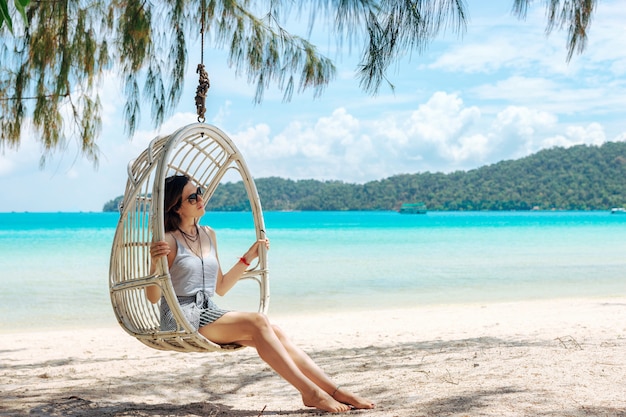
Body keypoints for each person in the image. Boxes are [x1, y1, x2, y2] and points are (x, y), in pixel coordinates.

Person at [147, 175, 375, 413]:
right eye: (192, 197)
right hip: (182, 317)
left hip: (209, 311)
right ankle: (311, 392)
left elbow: (221, 287)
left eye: (200, 192)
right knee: (259, 322)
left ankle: (334, 390)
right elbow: (153, 297)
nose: (200, 199)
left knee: (274, 332)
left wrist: (249, 257)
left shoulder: (207, 234)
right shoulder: (168, 240)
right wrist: (154, 265)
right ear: (176, 206)